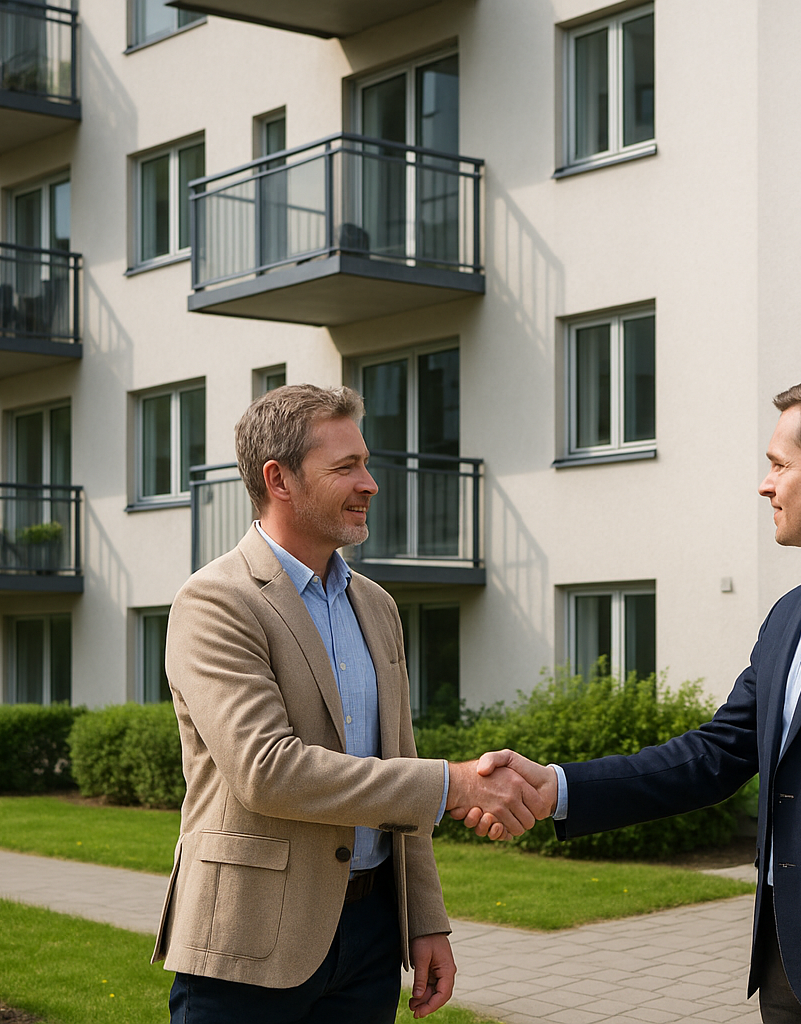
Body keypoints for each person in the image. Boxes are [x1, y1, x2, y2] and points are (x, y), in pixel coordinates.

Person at [468, 376, 801, 1024]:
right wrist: (557, 787)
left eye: (778, 466)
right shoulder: (790, 615)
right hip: (787, 963)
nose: (765, 484)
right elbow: (715, 754)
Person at [152, 384, 548, 1024]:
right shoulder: (215, 603)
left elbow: (399, 759)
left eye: (365, 463)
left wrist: (426, 920)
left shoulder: (377, 605)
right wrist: (455, 785)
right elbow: (267, 772)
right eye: (345, 468)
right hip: (250, 940)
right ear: (278, 479)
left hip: (369, 937)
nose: (370, 483)